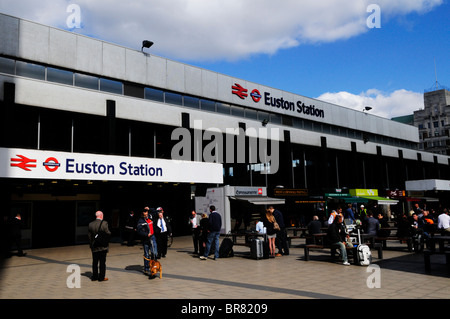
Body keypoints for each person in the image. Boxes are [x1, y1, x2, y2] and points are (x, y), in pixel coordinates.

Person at [88, 211, 111, 282]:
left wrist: (91, 244)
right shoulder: (104, 223)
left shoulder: (91, 224)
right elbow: (108, 233)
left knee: (95, 262)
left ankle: (95, 276)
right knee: (102, 262)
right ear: (101, 215)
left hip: (94, 246)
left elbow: (89, 236)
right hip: (102, 246)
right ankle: (101, 277)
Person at [137, 208, 158, 275]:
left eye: (147, 213)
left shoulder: (150, 217)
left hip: (152, 237)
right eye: (144, 213)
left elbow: (156, 212)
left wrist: (150, 208)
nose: (146, 214)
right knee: (146, 254)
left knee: (154, 253)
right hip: (146, 239)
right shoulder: (140, 221)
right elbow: (139, 231)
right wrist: (146, 234)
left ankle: (153, 267)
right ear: (142, 214)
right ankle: (146, 268)